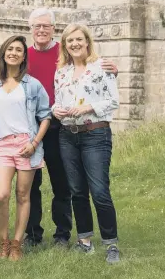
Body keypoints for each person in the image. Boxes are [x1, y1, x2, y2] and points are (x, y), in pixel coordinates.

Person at [0, 8, 118, 249]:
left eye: (46, 26)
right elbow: (9, 75)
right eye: (37, 26)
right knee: (30, 186)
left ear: (54, 29)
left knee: (62, 183)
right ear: (31, 29)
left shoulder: (64, 51)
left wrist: (111, 69)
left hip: (60, 128)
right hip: (29, 129)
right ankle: (32, 234)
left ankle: (62, 234)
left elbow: (89, 72)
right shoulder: (26, 54)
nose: (42, 30)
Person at [52, 23, 121, 264]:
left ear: (87, 41)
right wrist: (56, 110)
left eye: (79, 39)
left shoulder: (101, 67)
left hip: (95, 134)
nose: (75, 44)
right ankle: (85, 241)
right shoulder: (61, 72)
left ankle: (111, 244)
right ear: (65, 45)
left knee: (100, 192)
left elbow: (113, 101)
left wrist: (87, 107)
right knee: (77, 192)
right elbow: (57, 101)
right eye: (70, 41)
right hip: (67, 135)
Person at [0, 35, 51, 261]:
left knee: (23, 194)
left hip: (25, 144)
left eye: (18, 50)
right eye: (10, 49)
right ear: (3, 54)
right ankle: (3, 241)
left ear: (24, 56)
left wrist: (34, 144)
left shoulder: (32, 85)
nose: (13, 53)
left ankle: (16, 244)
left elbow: (45, 116)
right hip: (2, 145)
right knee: (1, 195)